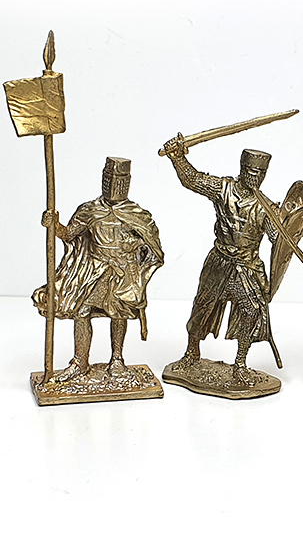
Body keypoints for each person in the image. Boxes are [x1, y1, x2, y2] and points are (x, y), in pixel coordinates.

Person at [162, 137, 280, 385]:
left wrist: (295, 227)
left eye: (260, 174)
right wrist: (177, 158)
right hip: (219, 263)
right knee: (202, 307)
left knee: (251, 311)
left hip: (246, 268)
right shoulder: (223, 189)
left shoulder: (266, 207)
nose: (255, 178)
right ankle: (191, 353)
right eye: (251, 172)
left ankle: (240, 363)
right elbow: (193, 180)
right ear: (242, 169)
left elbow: (278, 239)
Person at [34, 157, 163, 381]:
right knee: (81, 312)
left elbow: (153, 248)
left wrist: (136, 256)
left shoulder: (137, 214)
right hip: (94, 271)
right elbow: (69, 234)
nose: (112, 185)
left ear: (127, 182)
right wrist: (54, 225)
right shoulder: (90, 210)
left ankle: (117, 360)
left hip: (124, 273)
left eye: (119, 181)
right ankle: (80, 362)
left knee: (119, 315)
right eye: (108, 179)